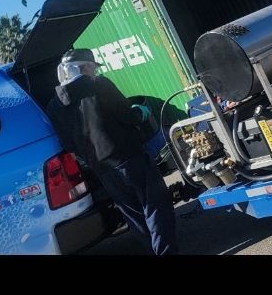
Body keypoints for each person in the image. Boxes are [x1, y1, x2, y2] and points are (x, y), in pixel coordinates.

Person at [47, 51, 179, 256]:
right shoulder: (99, 85)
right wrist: (140, 113)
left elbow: (68, 143)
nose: (95, 71)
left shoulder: (54, 105)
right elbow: (126, 116)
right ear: (83, 67)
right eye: (93, 67)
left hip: (102, 168)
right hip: (129, 156)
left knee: (134, 215)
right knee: (155, 206)